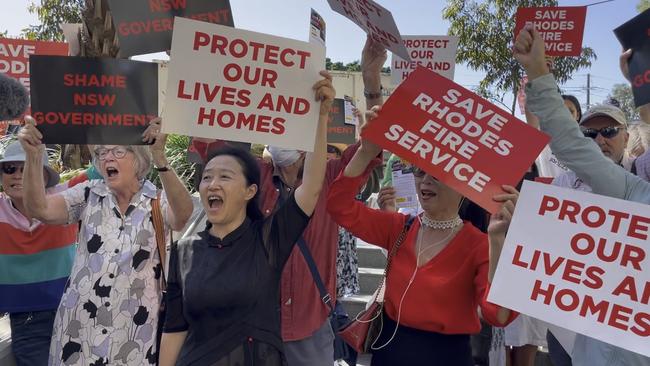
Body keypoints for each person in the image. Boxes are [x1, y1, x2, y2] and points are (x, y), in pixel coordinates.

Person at [158, 71, 333, 366]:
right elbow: (174, 328)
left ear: (250, 191)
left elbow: (312, 187)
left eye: (225, 176)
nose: (213, 184)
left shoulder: (268, 240)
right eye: (207, 177)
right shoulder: (184, 249)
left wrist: (320, 117)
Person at [326, 102, 518, 365]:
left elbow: (499, 315)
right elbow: (339, 206)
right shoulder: (398, 227)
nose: (425, 181)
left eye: (437, 175)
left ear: (465, 187)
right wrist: (365, 151)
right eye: (420, 172)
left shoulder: (479, 245)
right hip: (390, 351)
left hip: (446, 357)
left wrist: (498, 240)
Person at [514, 24, 650, 366]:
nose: (601, 139)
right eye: (594, 132)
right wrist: (539, 73)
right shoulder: (632, 190)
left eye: (610, 131)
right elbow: (571, 144)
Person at [17, 117, 194, 365]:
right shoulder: (88, 193)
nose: (107, 158)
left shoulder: (157, 200)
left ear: (138, 159)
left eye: (117, 151)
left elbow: (183, 217)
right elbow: (40, 209)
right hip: (79, 332)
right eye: (101, 152)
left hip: (134, 333)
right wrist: (34, 157)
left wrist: (161, 159)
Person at [0, 141, 88, 366]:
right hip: (26, 317)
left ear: (46, 177)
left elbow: (103, 168)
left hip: (73, 309)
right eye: (9, 169)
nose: (18, 175)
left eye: (27, 167)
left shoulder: (66, 197)